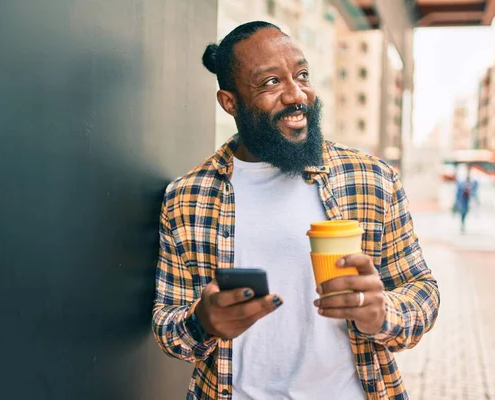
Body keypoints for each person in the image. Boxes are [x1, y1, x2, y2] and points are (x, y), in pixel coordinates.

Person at [152, 21, 440, 400]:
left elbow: (423, 292)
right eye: (270, 82)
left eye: (302, 75)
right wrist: (201, 323)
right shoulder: (186, 197)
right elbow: (166, 321)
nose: (296, 94)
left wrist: (381, 312)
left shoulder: (372, 178)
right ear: (230, 102)